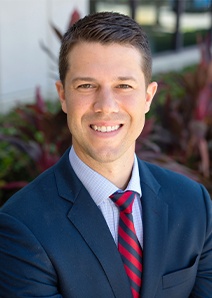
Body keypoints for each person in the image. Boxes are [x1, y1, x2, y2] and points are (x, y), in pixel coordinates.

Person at [0, 11, 211, 298]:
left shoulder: (196, 205)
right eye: (86, 86)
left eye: (124, 85)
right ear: (63, 95)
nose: (106, 105)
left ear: (148, 96)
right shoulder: (21, 224)